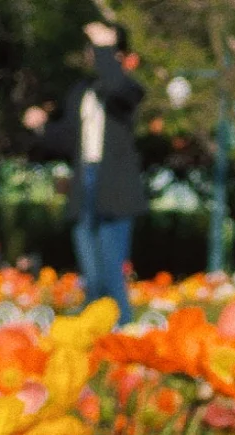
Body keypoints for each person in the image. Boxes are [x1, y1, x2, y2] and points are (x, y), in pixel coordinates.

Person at [23, 21, 145, 324]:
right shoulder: (81, 92)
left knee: (110, 264)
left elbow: (115, 85)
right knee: (90, 267)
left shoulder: (127, 89)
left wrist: (106, 45)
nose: (96, 53)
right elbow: (65, 138)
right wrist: (41, 126)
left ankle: (120, 324)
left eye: (104, 48)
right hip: (85, 181)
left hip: (114, 187)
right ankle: (92, 324)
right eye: (94, 47)